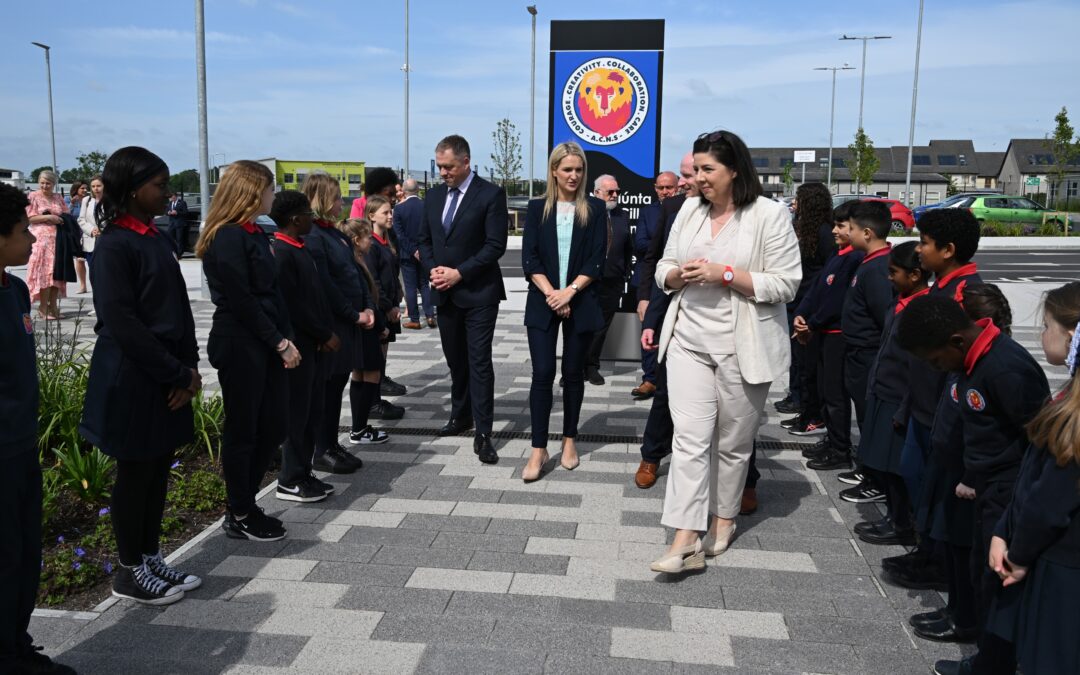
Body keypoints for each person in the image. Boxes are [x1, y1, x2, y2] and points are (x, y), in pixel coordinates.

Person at [649, 130, 801, 574]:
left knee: (732, 445)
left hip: (743, 346)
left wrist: (726, 273)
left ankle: (724, 519)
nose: (697, 179)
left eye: (707, 170)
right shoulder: (689, 210)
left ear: (735, 169)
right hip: (688, 343)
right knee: (690, 439)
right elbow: (663, 267)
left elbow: (785, 283)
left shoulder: (769, 215)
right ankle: (683, 536)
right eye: (695, 170)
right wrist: (677, 276)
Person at [896, 295, 1049, 675]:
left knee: (999, 584)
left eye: (935, 361)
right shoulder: (972, 361)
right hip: (985, 485)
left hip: (1008, 492)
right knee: (983, 578)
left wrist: (1017, 511)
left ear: (956, 342)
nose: (937, 369)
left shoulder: (1005, 369)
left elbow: (1041, 442)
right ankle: (988, 658)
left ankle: (993, 665)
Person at [78, 146, 203, 605]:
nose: (167, 193)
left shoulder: (154, 237)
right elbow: (122, 322)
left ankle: (150, 556)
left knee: (156, 471)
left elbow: (180, 312)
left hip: (166, 375)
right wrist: (172, 371)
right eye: (159, 185)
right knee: (134, 475)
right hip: (134, 376)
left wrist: (188, 370)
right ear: (132, 189)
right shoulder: (114, 245)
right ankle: (128, 570)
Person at [198, 160, 298, 542]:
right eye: (270, 188)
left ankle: (244, 503)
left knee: (273, 424)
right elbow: (241, 298)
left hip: (265, 341)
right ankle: (240, 509)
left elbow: (271, 294)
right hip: (241, 343)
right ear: (251, 191)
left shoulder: (254, 232)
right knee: (245, 430)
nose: (274, 194)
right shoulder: (227, 236)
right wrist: (279, 341)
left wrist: (283, 338)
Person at [986, 281, 1080, 675]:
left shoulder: (1074, 417)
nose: (1042, 336)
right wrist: (1005, 528)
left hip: (1061, 567)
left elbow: (1047, 501)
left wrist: (1018, 553)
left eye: (1046, 326)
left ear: (1072, 337)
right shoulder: (1069, 399)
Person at [908, 284, 1010, 646]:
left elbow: (1000, 436)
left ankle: (968, 620)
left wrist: (971, 475)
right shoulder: (964, 364)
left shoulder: (998, 368)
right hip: (951, 467)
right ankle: (956, 609)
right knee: (950, 543)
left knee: (969, 554)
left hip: (974, 481)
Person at [0, 183, 75, 675]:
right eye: (21, 230)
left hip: (21, 444)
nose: (31, 240)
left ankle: (14, 643)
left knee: (26, 553)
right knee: (4, 559)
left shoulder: (12, 292)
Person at [887, 208, 984, 587]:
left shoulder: (968, 293)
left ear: (948, 250)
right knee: (917, 476)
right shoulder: (938, 287)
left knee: (941, 488)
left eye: (925, 243)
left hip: (945, 411)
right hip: (922, 406)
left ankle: (940, 562)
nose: (919, 251)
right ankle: (926, 549)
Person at [417, 134, 508, 465]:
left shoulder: (490, 194)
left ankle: (483, 432)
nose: (443, 172)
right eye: (439, 166)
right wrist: (434, 271)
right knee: (455, 359)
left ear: (466, 162)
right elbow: (424, 240)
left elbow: (495, 245)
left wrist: (459, 273)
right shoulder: (433, 196)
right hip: (444, 292)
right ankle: (461, 415)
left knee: (479, 361)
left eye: (449, 166)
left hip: (479, 292)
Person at [520, 142, 607, 482]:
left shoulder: (595, 209)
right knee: (542, 373)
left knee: (572, 374)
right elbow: (530, 259)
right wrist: (552, 294)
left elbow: (596, 260)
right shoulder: (537, 207)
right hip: (543, 301)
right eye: (567, 169)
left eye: (579, 169)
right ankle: (538, 448)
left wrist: (569, 292)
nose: (574, 175)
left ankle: (570, 439)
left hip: (581, 300)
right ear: (554, 170)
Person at [268, 191, 341, 503]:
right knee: (298, 414)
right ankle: (289, 479)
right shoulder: (282, 252)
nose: (313, 219)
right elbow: (294, 306)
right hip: (300, 346)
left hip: (314, 345)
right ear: (296, 219)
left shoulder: (300, 247)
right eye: (309, 214)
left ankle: (303, 471)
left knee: (312, 411)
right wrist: (323, 333)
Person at [812, 200, 895, 474]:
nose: (837, 231)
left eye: (848, 227)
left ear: (866, 233)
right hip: (856, 349)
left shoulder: (875, 268)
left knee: (866, 411)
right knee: (856, 406)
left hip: (867, 351)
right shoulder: (865, 262)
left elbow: (884, 317)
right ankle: (864, 463)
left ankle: (871, 470)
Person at [847, 242, 928, 522]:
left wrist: (905, 407)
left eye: (894, 272)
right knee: (882, 459)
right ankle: (892, 516)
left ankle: (901, 523)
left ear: (915, 275)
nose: (889, 278)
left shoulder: (921, 310)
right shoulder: (898, 301)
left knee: (897, 465)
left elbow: (918, 367)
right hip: (882, 389)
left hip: (900, 397)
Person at [301, 173, 371, 474]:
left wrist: (366, 305)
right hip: (334, 322)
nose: (342, 202)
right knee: (327, 390)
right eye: (337, 197)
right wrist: (352, 313)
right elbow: (325, 284)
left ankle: (330, 443)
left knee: (337, 385)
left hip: (349, 322)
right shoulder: (314, 235)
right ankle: (322, 448)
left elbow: (354, 272)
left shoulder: (333, 233)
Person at [794, 202, 863, 470]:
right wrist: (803, 314)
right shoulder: (839, 254)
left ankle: (840, 448)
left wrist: (811, 322)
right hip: (821, 333)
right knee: (824, 390)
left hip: (836, 335)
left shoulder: (854, 259)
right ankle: (832, 439)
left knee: (836, 395)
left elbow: (836, 301)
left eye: (841, 226)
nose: (834, 230)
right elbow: (817, 290)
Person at [777, 183, 837, 427]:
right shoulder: (803, 230)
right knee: (798, 358)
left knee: (807, 361)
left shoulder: (824, 233)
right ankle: (799, 398)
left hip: (810, 304)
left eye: (798, 200)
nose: (794, 205)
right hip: (797, 300)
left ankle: (809, 408)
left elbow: (826, 272)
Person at [339, 218, 390, 447]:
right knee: (370, 374)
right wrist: (380, 325)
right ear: (356, 240)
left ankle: (358, 427)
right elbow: (367, 295)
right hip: (365, 327)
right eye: (368, 237)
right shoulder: (355, 262)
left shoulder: (355, 259)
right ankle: (359, 428)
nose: (371, 241)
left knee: (359, 374)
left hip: (362, 327)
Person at [631, 171, 678, 400]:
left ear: (677, 187)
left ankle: (669, 379)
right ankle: (649, 379)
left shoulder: (684, 210)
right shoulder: (648, 212)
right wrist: (663, 245)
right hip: (650, 280)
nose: (665, 192)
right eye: (661, 187)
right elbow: (639, 244)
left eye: (669, 187)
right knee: (649, 329)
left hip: (676, 280)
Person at [584, 174, 632, 386]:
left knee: (602, 326)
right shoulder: (584, 214)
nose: (615, 195)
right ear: (596, 193)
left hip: (612, 281)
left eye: (617, 192)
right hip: (586, 281)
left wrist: (625, 272)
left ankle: (592, 366)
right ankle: (573, 370)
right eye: (610, 192)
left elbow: (627, 248)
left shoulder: (623, 216)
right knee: (581, 325)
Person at [364, 195, 406, 420]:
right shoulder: (369, 244)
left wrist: (398, 292)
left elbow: (391, 272)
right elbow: (374, 281)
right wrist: (387, 306)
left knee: (383, 352)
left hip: (390, 306)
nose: (390, 216)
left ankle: (376, 395)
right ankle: (372, 401)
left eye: (391, 212)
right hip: (381, 309)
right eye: (385, 213)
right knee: (375, 356)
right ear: (371, 216)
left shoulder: (387, 240)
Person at [25, 170, 69, 320]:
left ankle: (53, 308)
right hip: (41, 241)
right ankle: (43, 309)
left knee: (56, 275)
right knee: (44, 275)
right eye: (42, 182)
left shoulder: (58, 197)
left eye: (48, 183)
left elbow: (66, 215)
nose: (45, 186)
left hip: (58, 239)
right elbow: (29, 217)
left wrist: (59, 218)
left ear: (54, 184)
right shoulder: (33, 196)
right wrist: (48, 216)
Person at [394, 178, 435, 329]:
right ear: (418, 190)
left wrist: (412, 250)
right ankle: (430, 316)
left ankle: (415, 319)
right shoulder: (426, 206)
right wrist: (421, 250)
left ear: (403, 191)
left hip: (407, 254)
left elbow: (400, 234)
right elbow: (430, 230)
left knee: (410, 287)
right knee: (424, 284)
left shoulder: (399, 209)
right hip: (424, 252)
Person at [77, 176, 104, 285]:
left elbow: (114, 218)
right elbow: (81, 219)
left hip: (105, 239)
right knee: (93, 271)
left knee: (105, 271)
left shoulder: (111, 201)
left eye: (98, 186)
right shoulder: (86, 200)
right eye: (93, 186)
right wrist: (92, 230)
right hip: (90, 241)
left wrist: (102, 228)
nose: (96, 188)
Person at [68, 181, 89, 293]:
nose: (85, 190)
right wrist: (71, 204)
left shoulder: (89, 200)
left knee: (91, 259)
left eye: (86, 188)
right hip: (76, 233)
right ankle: (83, 285)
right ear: (76, 189)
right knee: (79, 260)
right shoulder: (69, 200)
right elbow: (65, 214)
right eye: (82, 188)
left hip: (88, 232)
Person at [166, 191, 190, 259]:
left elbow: (185, 212)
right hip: (172, 224)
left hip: (179, 223)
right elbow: (166, 211)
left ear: (175, 196)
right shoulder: (170, 203)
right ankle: (171, 252)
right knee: (170, 238)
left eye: (172, 196)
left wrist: (177, 213)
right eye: (170, 197)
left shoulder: (182, 203)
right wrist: (168, 212)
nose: (171, 198)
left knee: (179, 239)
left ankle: (179, 254)